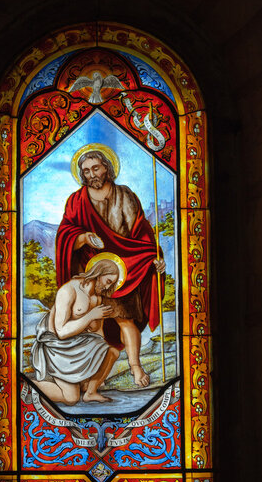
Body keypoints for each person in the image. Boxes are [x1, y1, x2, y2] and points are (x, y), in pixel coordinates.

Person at [56, 149, 165, 388]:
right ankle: (94, 378)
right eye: (86, 171)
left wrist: (154, 256)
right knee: (95, 326)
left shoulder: (125, 195)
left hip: (126, 268)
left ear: (106, 167)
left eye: (96, 168)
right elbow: (65, 232)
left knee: (126, 320)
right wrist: (83, 237)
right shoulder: (76, 200)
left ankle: (136, 368)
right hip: (94, 270)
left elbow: (142, 230)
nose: (91, 174)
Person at [31, 259, 120, 405]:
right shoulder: (69, 291)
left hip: (79, 344)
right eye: (108, 281)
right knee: (71, 398)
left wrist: (98, 366)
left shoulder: (96, 297)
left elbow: (97, 333)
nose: (107, 287)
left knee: (112, 352)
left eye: (111, 284)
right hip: (57, 347)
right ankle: (30, 384)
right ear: (99, 273)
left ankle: (91, 392)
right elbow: (61, 332)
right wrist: (91, 316)